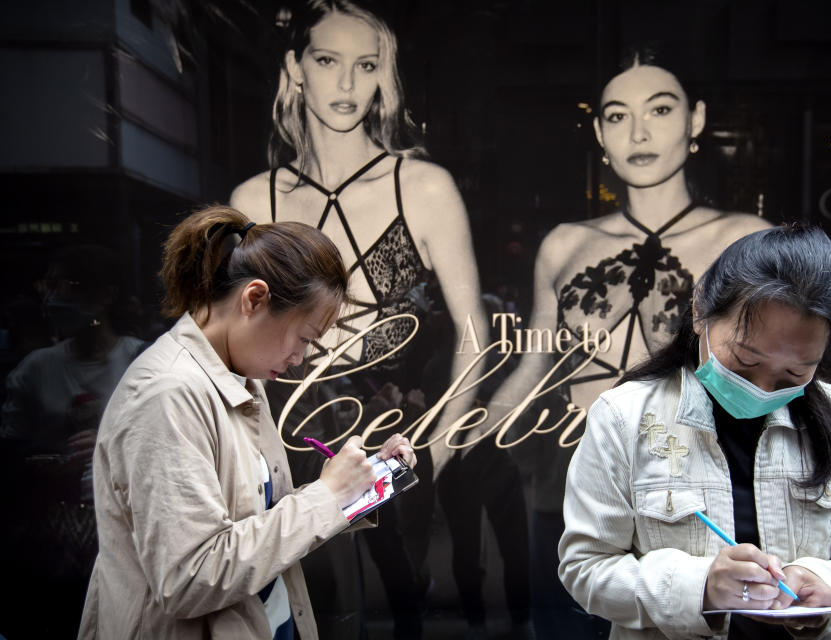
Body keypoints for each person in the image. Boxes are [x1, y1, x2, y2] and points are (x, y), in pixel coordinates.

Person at [484, 43, 770, 638]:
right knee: (563, 625)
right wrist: (460, 441)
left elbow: (786, 380)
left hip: (690, 489)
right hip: (568, 481)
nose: (638, 131)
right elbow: (534, 363)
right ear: (599, 132)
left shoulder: (747, 240)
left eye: (660, 110)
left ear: (696, 120)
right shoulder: (564, 244)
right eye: (617, 115)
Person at [230, 2, 495, 637]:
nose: (347, 85)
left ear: (385, 75)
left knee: (400, 596)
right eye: (328, 61)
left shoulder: (424, 187)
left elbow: (473, 330)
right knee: (308, 597)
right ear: (296, 68)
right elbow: (233, 341)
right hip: (289, 428)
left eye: (366, 65)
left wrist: (443, 442)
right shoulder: (251, 200)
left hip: (394, 425)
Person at [78, 205, 417, 639]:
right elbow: (189, 579)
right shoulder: (167, 395)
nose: (300, 359)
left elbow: (261, 522)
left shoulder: (239, 375)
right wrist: (327, 496)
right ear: (253, 299)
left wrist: (361, 486)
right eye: (304, 338)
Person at [558, 224, 831, 639]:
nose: (761, 388)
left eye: (795, 373)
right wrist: (699, 588)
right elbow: (586, 568)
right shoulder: (625, 416)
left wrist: (825, 587)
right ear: (701, 310)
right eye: (743, 360)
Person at [0, 245, 144, 638]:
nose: (54, 298)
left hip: (125, 529)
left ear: (106, 295)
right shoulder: (36, 369)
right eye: (50, 285)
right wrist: (44, 464)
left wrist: (113, 445)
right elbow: (9, 456)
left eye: (69, 285)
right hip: (51, 541)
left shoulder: (142, 362)